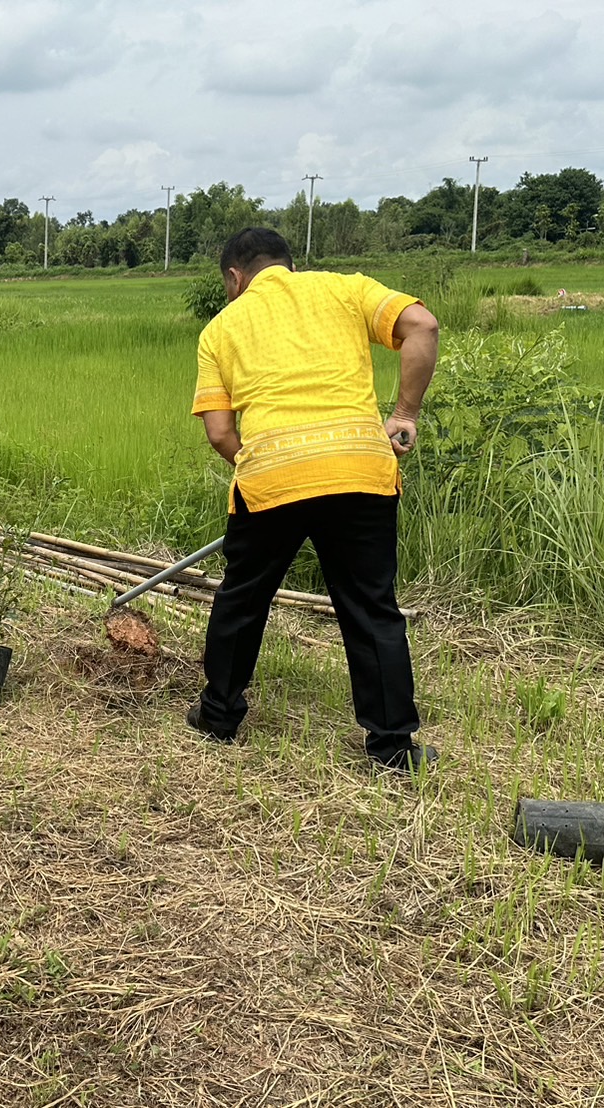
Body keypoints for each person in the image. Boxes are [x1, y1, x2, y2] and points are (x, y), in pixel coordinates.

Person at [186, 228, 440, 773]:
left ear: (234, 277)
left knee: (243, 598)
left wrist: (262, 463)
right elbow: (422, 325)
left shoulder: (221, 328)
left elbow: (219, 433)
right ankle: (392, 747)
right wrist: (404, 415)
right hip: (359, 469)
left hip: (271, 476)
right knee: (371, 608)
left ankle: (218, 717)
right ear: (288, 264)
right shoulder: (344, 290)